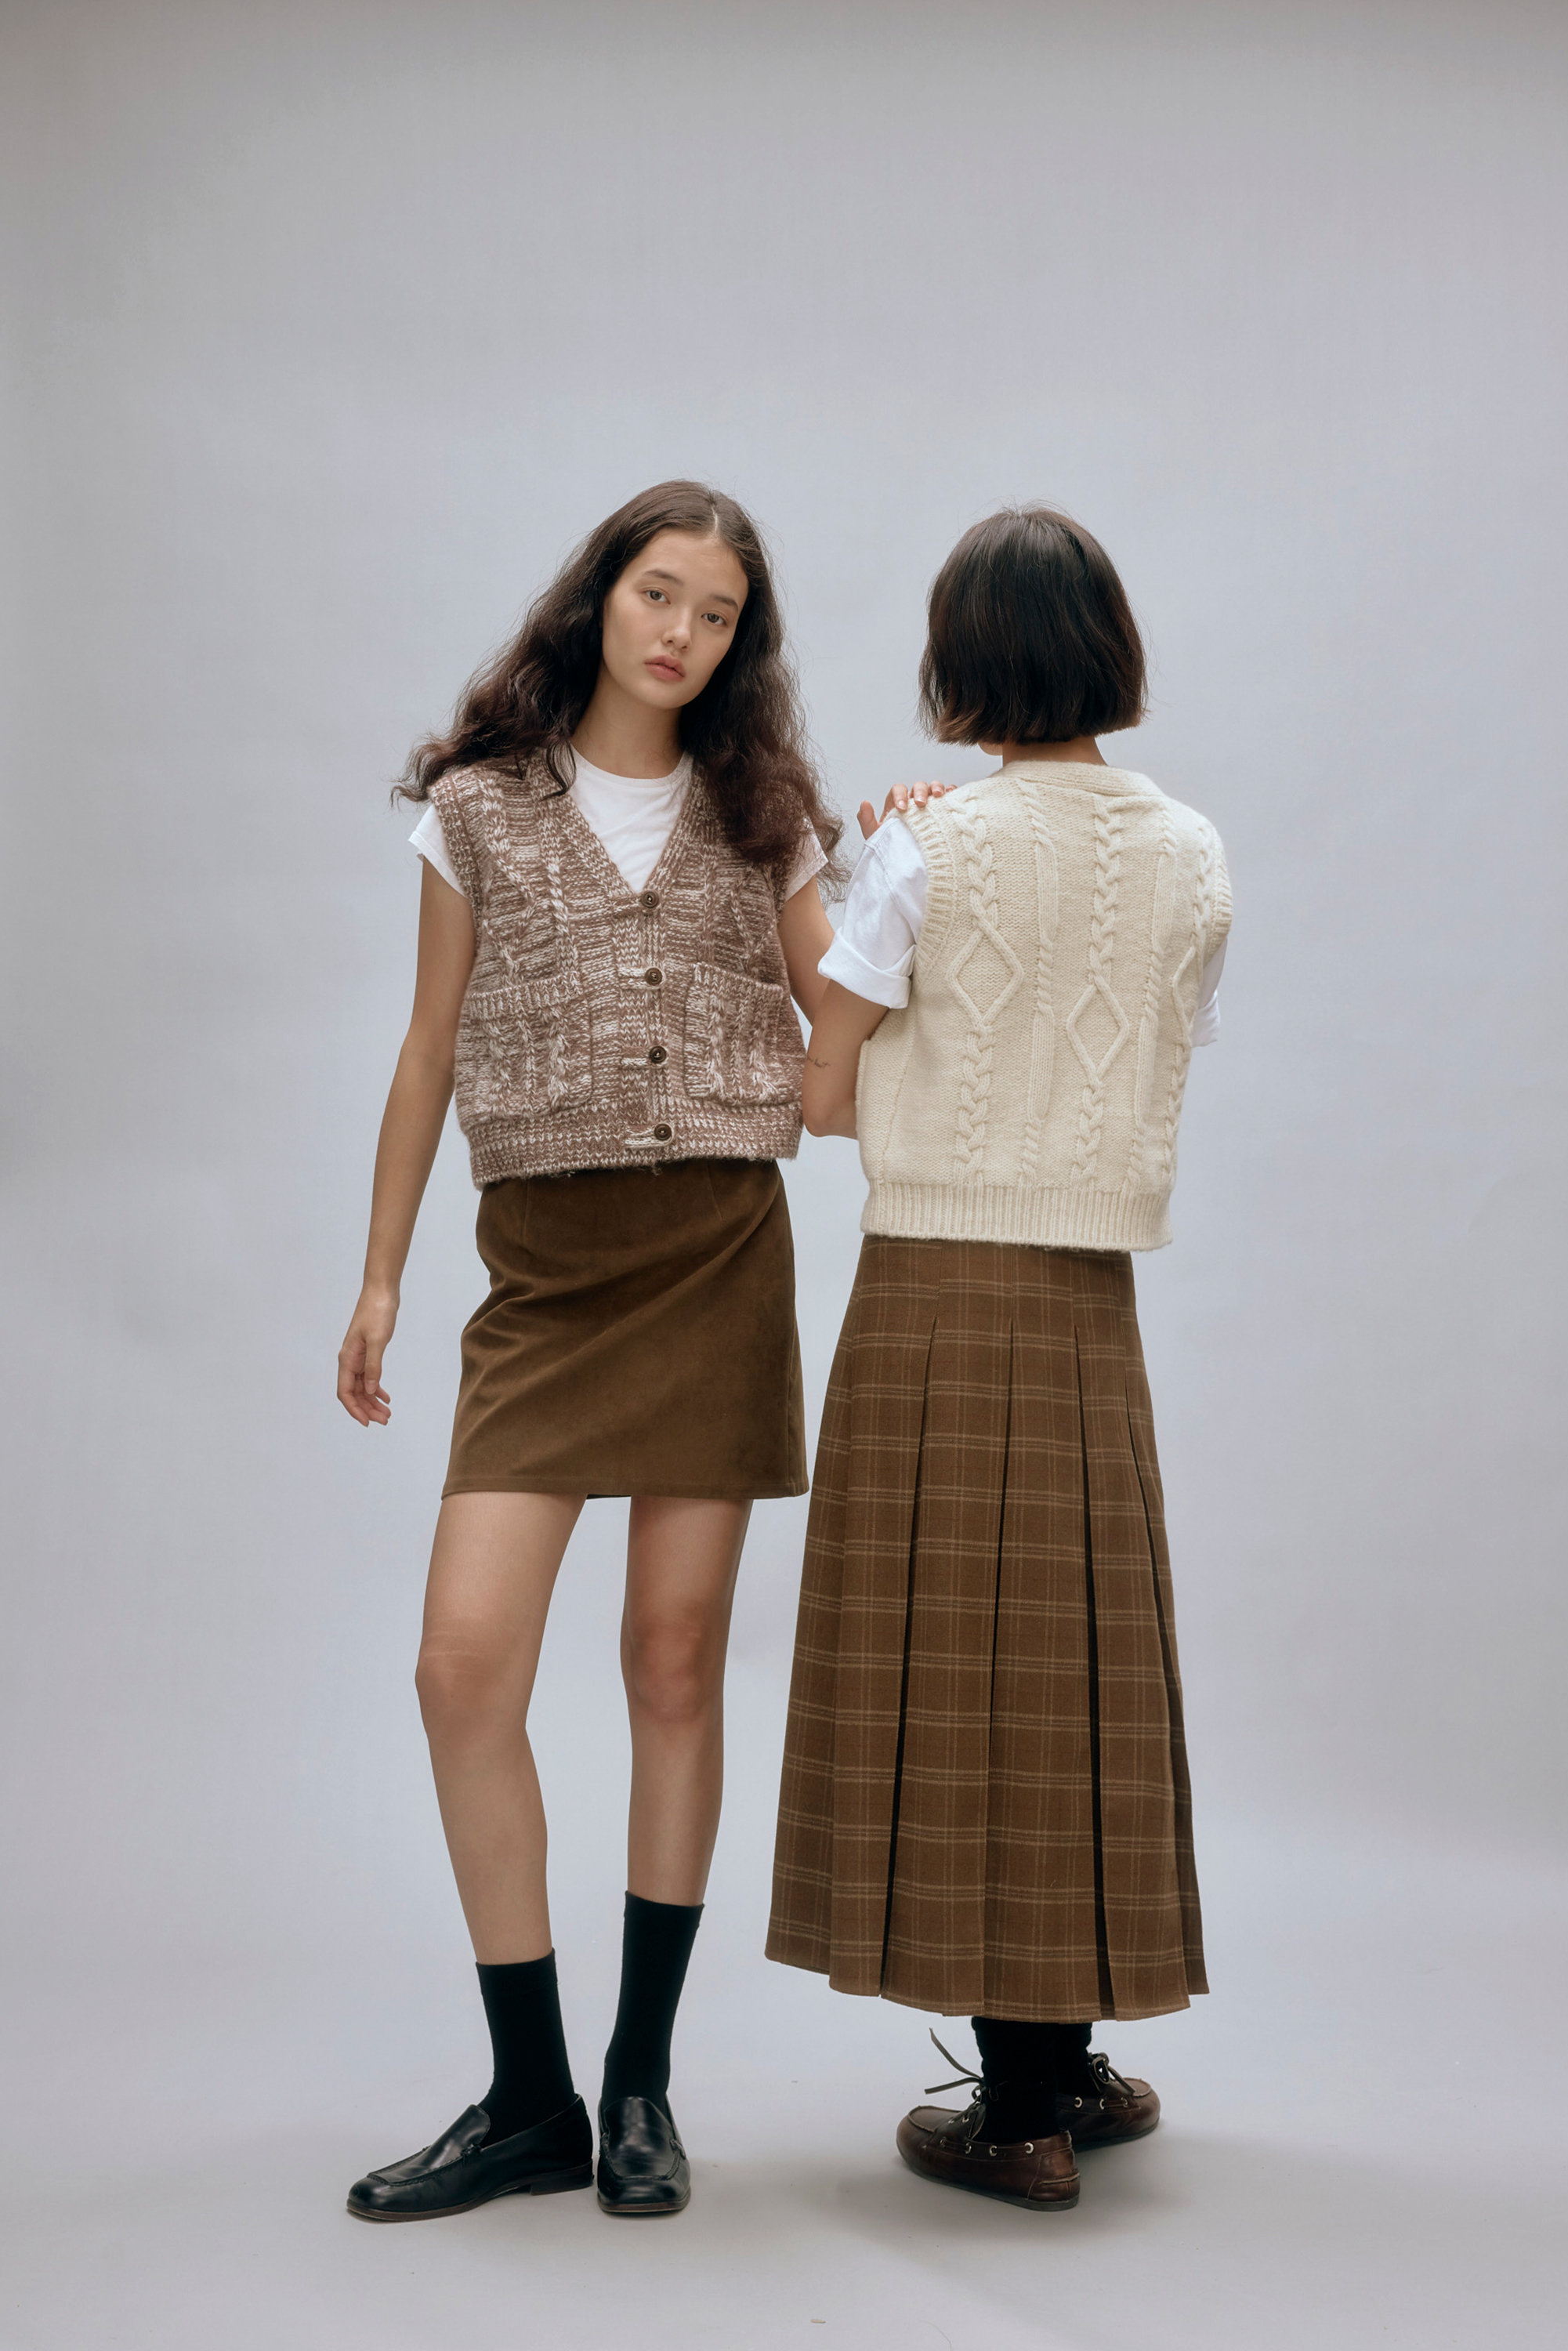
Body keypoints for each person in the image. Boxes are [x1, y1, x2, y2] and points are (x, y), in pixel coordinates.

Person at [337, 481, 842, 2223]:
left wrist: (910, 867)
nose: (680, 632)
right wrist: (381, 1278)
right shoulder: (477, 806)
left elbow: (841, 1038)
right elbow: (425, 1052)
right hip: (544, 1278)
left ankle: (637, 2086)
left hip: (717, 1256)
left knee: (673, 1663)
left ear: (737, 643)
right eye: (657, 593)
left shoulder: (768, 817)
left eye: (716, 613)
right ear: (599, 597)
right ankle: (527, 2094)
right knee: (460, 1669)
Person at [766, 505, 1229, 2213]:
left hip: (934, 1293)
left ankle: (1017, 2113)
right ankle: (1065, 2068)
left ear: (959, 666)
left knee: (954, 1659)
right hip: (1086, 1303)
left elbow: (824, 1097)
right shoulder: (1192, 854)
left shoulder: (923, 851)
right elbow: (1147, 1051)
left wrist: (862, 877)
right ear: (1111, 652)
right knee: (1070, 1655)